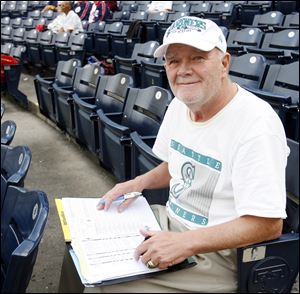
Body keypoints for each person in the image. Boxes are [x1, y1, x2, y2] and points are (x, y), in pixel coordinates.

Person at [59, 16, 289, 292]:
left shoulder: (256, 124)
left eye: (197, 58)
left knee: (106, 287)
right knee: (80, 252)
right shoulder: (181, 103)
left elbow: (268, 225)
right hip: (169, 221)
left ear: (224, 63)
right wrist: (138, 183)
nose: (183, 70)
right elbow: (176, 165)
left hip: (219, 253)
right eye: (174, 61)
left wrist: (184, 243)